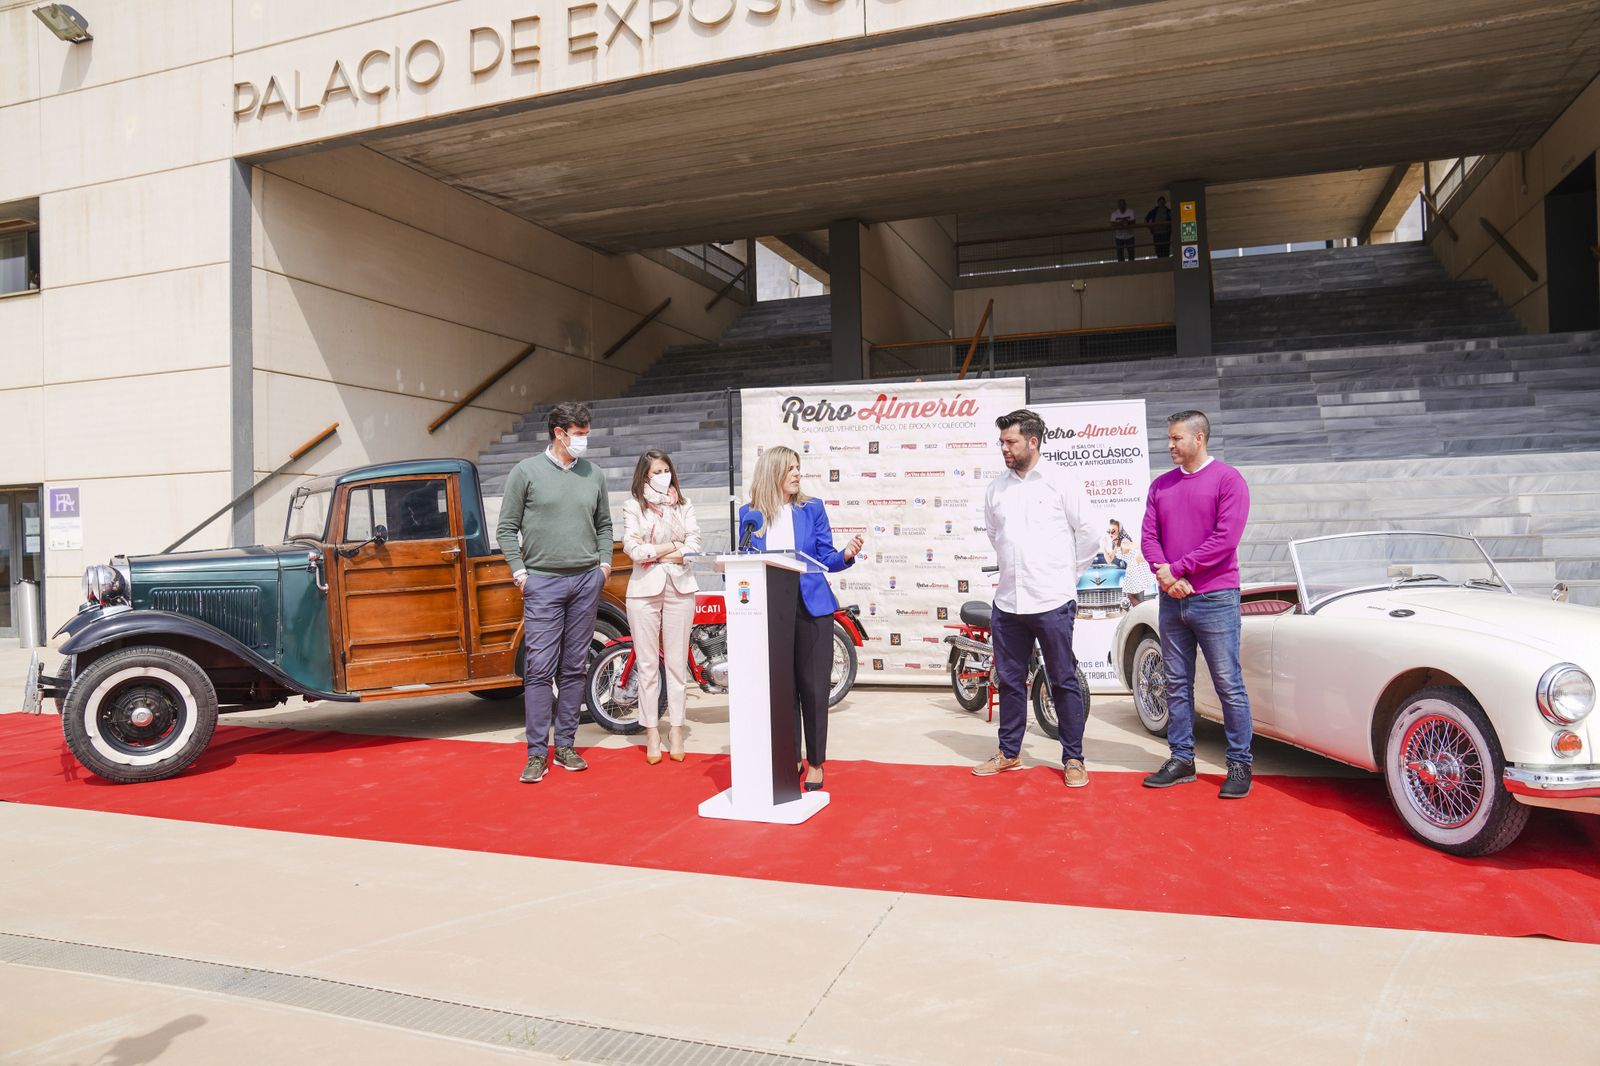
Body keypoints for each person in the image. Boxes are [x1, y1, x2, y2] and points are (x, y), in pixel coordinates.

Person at [973, 410, 1101, 787]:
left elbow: (1091, 534)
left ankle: (1073, 758)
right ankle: (1009, 753)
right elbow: (996, 536)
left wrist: (1067, 575)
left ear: (1033, 441)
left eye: (1010, 442)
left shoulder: (1061, 482)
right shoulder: (996, 488)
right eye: (1001, 443)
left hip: (1052, 601)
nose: (1004, 449)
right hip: (1008, 603)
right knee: (1011, 681)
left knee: (1062, 679)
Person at [496, 401, 613, 784]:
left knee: (575, 666)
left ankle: (565, 744)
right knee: (539, 669)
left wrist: (604, 565)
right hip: (542, 581)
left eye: (586, 433)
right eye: (579, 434)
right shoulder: (525, 472)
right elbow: (506, 527)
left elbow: (605, 525)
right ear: (559, 433)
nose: (584, 440)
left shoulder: (593, 475)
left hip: (585, 580)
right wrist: (520, 573)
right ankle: (535, 753)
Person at [1140, 410, 1255, 799]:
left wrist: (1178, 569)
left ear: (1198, 438)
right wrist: (1165, 575)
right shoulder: (1161, 486)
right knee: (1175, 684)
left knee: (1228, 683)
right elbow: (1148, 538)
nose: (1170, 445)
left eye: (1176, 439)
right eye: (1168, 439)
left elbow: (1225, 539)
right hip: (1172, 600)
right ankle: (1182, 758)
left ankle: (1239, 764)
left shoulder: (1228, 480)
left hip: (1216, 597)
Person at [738, 446, 863, 792]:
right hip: (770, 609)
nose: (797, 473)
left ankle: (817, 762)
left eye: (798, 467)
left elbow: (825, 558)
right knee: (783, 689)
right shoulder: (750, 514)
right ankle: (790, 756)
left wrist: (846, 555)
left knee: (812, 688)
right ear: (772, 472)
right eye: (789, 468)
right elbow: (743, 560)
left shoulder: (812, 509)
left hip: (812, 608)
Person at [621, 449, 701, 764]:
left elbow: (694, 547)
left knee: (677, 665)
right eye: (656, 471)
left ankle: (677, 729)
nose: (662, 475)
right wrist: (672, 547)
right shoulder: (632, 506)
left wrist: (656, 552)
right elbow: (634, 550)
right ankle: (652, 730)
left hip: (680, 587)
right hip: (643, 591)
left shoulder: (684, 504)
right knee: (648, 666)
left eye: (665, 469)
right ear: (644, 476)